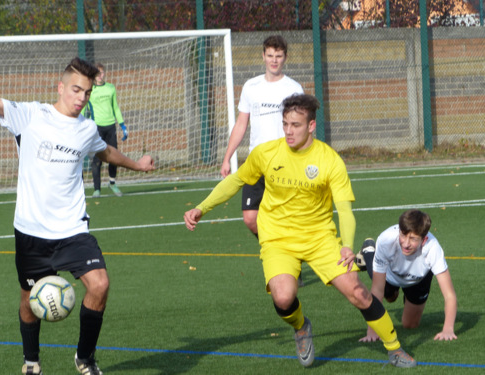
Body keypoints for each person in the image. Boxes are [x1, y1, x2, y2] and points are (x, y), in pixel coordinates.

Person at [184, 93, 416, 368]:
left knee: (358, 292)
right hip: (277, 238)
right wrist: (202, 207)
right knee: (283, 297)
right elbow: (235, 182)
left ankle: (395, 348)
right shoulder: (266, 153)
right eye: (285, 124)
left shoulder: (329, 160)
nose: (289, 131)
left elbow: (344, 210)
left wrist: (346, 244)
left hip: (319, 238)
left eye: (295, 125)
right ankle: (301, 326)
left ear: (311, 126)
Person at [0, 57, 154, 375]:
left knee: (99, 285)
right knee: (29, 300)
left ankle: (85, 359)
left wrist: (137, 165)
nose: (81, 97)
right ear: (60, 87)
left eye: (86, 92)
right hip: (31, 231)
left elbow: (105, 151)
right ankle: (31, 362)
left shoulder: (86, 128)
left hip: (72, 229)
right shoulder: (31, 115)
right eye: (75, 90)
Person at [221, 35, 305, 286]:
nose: (274, 60)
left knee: (286, 217)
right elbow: (241, 124)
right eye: (270, 55)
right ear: (263, 56)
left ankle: (288, 263)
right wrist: (228, 157)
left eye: (279, 56)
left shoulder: (293, 88)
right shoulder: (251, 87)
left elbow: (300, 127)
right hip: (257, 162)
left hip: (285, 162)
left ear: (285, 58)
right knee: (250, 217)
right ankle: (281, 253)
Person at [356, 209, 458, 343]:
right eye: (403, 235)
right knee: (389, 296)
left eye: (413, 239)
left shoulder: (433, 248)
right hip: (390, 275)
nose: (406, 243)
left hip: (417, 279)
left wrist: (448, 329)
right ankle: (368, 251)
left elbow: (449, 295)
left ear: (424, 239)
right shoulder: (386, 240)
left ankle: (408, 296)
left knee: (410, 325)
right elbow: (377, 290)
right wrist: (372, 330)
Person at [85, 63, 128, 198]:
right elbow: (82, 108)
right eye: (97, 73)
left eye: (102, 73)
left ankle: (112, 182)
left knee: (113, 157)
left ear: (104, 73)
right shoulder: (89, 89)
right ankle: (97, 189)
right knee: (97, 159)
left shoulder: (110, 88)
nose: (100, 75)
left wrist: (122, 125)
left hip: (110, 126)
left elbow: (115, 107)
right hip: (96, 127)